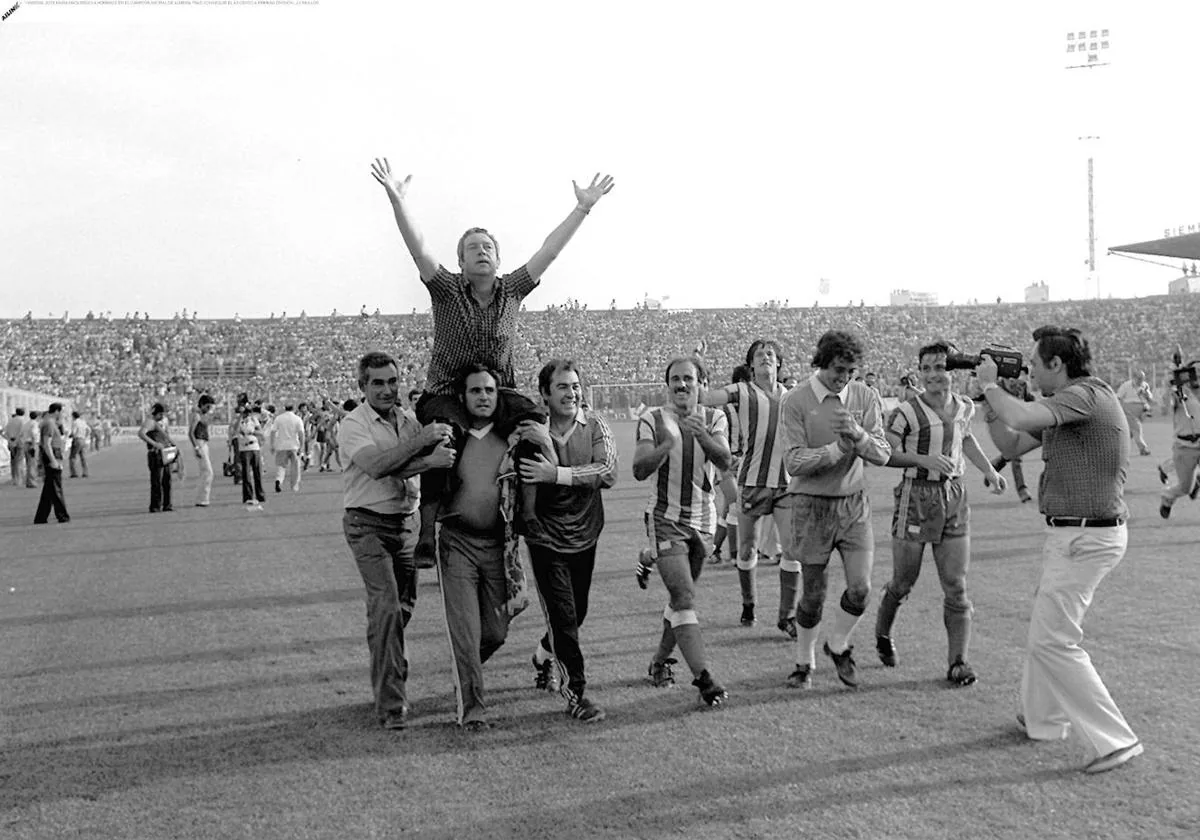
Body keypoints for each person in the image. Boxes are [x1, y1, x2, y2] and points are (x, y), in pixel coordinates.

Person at [370, 158, 614, 567]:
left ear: (498, 260)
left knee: (535, 429)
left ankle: (529, 514)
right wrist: (398, 201)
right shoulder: (447, 290)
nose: (480, 252)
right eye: (472, 248)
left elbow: (548, 251)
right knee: (442, 438)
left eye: (487, 247)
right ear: (461, 262)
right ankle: (428, 532)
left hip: (498, 390)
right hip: (447, 391)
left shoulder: (512, 290)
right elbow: (419, 249)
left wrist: (582, 207)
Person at [979, 325, 1142, 774]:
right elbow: (1011, 442)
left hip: (1087, 536)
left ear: (1057, 364)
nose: (1029, 368)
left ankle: (1115, 741)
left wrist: (992, 385)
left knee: (1055, 639)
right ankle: (1043, 720)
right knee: (1045, 630)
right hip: (1073, 535)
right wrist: (988, 403)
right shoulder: (1066, 406)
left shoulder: (1087, 395)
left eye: (1035, 362)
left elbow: (1023, 419)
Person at [873, 341, 1006, 686]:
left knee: (957, 586)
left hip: (955, 496)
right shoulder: (905, 412)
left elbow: (966, 440)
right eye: (927, 368)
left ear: (953, 372)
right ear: (920, 373)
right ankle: (883, 634)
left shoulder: (964, 407)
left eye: (941, 367)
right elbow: (886, 453)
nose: (934, 375)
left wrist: (989, 471)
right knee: (904, 582)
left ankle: (958, 662)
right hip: (916, 496)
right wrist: (923, 460)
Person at [340, 351, 455, 730]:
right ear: (362, 387)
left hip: (406, 526)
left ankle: (384, 652)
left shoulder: (408, 421)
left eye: (392, 381)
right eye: (378, 383)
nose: (388, 389)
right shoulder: (353, 425)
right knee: (388, 608)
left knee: (399, 611)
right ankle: (392, 706)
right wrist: (424, 450)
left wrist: (428, 450)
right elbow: (378, 466)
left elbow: (406, 464)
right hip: (367, 525)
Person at [779, 330, 891, 690]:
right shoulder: (796, 401)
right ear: (821, 363)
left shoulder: (864, 396)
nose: (844, 377)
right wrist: (838, 450)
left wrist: (858, 436)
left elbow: (883, 453)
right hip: (810, 506)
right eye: (838, 370)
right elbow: (794, 462)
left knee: (861, 588)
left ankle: (838, 644)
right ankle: (804, 662)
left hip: (854, 504)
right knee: (813, 595)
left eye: (850, 371)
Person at [516, 360, 616, 723]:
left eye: (575, 386)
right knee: (563, 616)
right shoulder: (532, 434)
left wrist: (555, 472)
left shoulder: (595, 426)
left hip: (585, 534)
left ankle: (543, 655)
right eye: (562, 386)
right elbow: (524, 480)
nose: (571, 393)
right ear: (544, 393)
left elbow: (608, 472)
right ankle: (577, 693)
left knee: (578, 614)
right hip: (546, 538)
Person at [634, 355, 731, 708]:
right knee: (685, 597)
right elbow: (638, 470)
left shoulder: (715, 417)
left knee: (680, 600)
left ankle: (659, 662)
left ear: (700, 383)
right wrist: (665, 445)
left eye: (688, 378)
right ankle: (704, 678)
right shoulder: (652, 418)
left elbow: (725, 461)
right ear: (667, 384)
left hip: (702, 522)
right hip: (664, 518)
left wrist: (700, 434)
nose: (681, 384)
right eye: (675, 379)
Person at [437, 364, 523, 729]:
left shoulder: (511, 436)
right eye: (476, 391)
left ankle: (465, 673)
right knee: (466, 632)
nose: (483, 397)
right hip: (457, 543)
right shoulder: (451, 435)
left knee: (496, 633)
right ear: (463, 397)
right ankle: (472, 708)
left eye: (489, 390)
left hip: (498, 547)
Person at [701, 340, 798, 637]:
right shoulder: (742, 391)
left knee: (792, 550)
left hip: (785, 483)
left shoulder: (793, 396)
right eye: (760, 354)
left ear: (778, 363)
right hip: (752, 483)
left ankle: (787, 616)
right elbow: (707, 397)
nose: (766, 358)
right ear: (751, 364)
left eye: (770, 354)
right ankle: (749, 604)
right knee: (746, 547)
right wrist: (696, 368)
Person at [1158, 363, 1200, 520]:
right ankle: (1167, 498)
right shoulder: (1179, 395)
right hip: (1184, 446)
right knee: (1184, 487)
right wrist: (1170, 389)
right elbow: (1165, 410)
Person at [33, 403, 69, 524]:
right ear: (57, 411)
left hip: (54, 454)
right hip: (52, 455)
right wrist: (53, 460)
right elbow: (46, 443)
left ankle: (41, 516)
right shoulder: (49, 423)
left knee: (49, 489)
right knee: (55, 487)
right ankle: (62, 515)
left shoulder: (51, 423)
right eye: (62, 412)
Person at [137, 403, 176, 513]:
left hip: (165, 452)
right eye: (161, 414)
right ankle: (155, 505)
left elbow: (166, 434)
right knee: (157, 480)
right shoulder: (150, 422)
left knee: (167, 479)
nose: (162, 416)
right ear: (157, 413)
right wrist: (154, 444)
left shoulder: (163, 421)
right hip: (155, 453)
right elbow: (141, 433)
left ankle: (167, 504)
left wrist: (171, 444)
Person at [1115, 370, 1154, 456]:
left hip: (1142, 410)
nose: (1141, 381)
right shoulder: (1126, 385)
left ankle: (1118, 448)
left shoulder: (1145, 385)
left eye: (1142, 379)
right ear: (1134, 378)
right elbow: (1118, 397)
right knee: (1137, 428)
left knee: (1130, 432)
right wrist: (1120, 409)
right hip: (1129, 409)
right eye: (1139, 378)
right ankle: (1143, 449)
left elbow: (1150, 399)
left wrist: (1147, 394)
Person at [270, 403, 306, 493]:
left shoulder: (279, 418)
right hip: (294, 445)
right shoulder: (297, 419)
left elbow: (273, 431)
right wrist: (302, 446)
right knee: (295, 467)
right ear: (293, 409)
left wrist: (272, 444)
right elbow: (301, 433)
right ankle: (294, 486)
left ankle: (279, 480)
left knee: (281, 466)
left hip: (282, 446)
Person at [236, 406, 266, 510]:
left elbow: (261, 432)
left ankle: (260, 495)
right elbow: (235, 431)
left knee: (257, 472)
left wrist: (252, 432)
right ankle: (248, 496)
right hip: (244, 448)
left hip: (254, 447)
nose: (247, 415)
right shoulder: (238, 421)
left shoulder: (253, 421)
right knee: (246, 474)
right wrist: (239, 419)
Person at [189, 394, 216, 507]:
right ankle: (203, 499)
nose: (209, 409)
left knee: (204, 472)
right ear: (203, 404)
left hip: (204, 443)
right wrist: (196, 448)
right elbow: (191, 433)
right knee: (208, 472)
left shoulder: (201, 415)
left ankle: (201, 498)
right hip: (199, 443)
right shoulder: (196, 416)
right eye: (208, 406)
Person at [4, 407, 26, 487]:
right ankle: (18, 480)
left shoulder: (10, 421)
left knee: (13, 461)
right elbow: (22, 432)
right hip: (19, 443)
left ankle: (14, 478)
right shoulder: (22, 421)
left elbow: (4, 431)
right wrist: (16, 440)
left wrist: (10, 440)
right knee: (19, 461)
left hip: (11, 443)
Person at [68, 411, 90, 478]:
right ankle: (85, 472)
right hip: (83, 439)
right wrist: (85, 436)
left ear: (73, 416)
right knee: (83, 457)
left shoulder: (75, 422)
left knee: (72, 457)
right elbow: (89, 430)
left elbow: (73, 432)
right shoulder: (83, 422)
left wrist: (71, 435)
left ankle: (74, 473)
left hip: (77, 440)